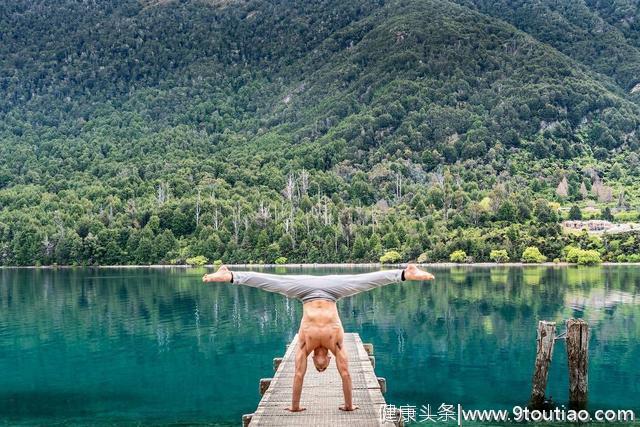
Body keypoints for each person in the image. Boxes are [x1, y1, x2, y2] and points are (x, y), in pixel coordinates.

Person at [202, 264, 435, 412]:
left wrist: (295, 407)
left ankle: (230, 275)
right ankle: (405, 273)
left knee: (273, 282)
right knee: (363, 281)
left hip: (306, 291)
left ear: (316, 360)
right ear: (328, 360)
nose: (322, 367)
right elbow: (342, 374)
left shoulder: (307, 345)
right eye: (324, 369)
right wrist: (348, 405)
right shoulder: (331, 344)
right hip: (332, 291)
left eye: (320, 369)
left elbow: (301, 375)